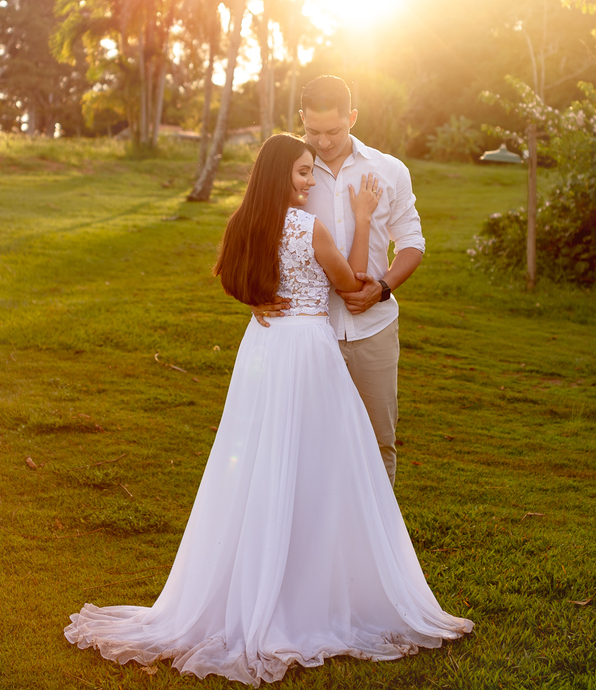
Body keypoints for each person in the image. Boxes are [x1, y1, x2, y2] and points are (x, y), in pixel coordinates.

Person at [64, 133, 471, 686]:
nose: (308, 182)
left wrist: (258, 301)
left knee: (259, 456)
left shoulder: (243, 225)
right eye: (302, 173)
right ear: (282, 177)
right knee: (322, 460)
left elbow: (230, 277)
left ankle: (265, 567)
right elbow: (352, 285)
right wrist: (361, 213)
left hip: (262, 350)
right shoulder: (308, 229)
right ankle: (315, 579)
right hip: (306, 352)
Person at [252, 75, 422, 486]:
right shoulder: (287, 173)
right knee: (308, 443)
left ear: (353, 117)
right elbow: (258, 235)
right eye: (312, 131)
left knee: (378, 440)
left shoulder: (390, 171)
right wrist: (254, 294)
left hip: (373, 331)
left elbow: (412, 243)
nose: (323, 142)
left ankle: (378, 546)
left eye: (334, 131)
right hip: (307, 334)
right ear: (300, 120)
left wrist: (383, 288)